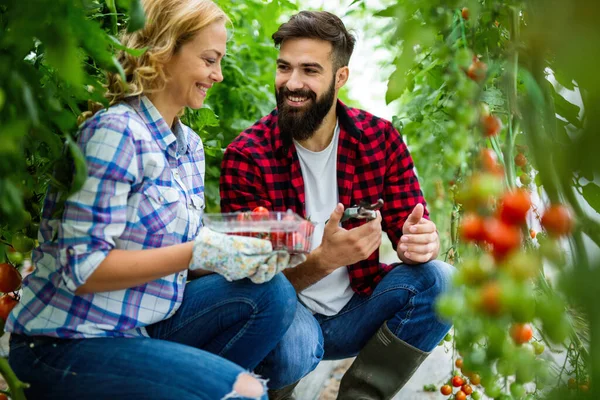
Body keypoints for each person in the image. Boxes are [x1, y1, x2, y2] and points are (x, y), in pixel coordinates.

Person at [5, 1, 299, 399]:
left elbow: (178, 257)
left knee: (273, 294)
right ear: (164, 52)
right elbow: (83, 269)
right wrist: (198, 252)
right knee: (245, 392)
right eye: (210, 60)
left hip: (139, 326)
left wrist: (243, 252)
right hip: (67, 342)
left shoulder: (189, 148)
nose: (219, 74)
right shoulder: (116, 133)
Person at [220, 11, 455, 400]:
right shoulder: (248, 156)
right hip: (284, 317)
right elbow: (250, 289)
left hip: (356, 310)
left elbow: (411, 227)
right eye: (284, 67)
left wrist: (420, 242)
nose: (292, 83)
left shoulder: (379, 140)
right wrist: (325, 260)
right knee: (294, 342)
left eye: (309, 70)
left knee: (443, 281)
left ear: (339, 77)